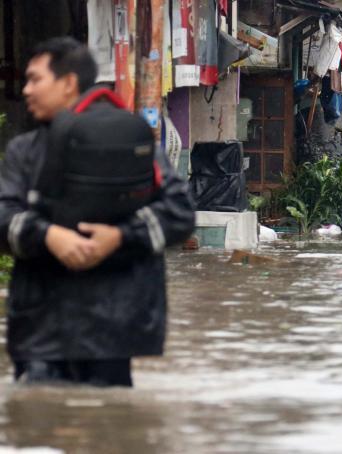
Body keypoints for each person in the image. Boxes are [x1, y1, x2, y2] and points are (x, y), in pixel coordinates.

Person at [0, 37, 195, 386]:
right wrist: (49, 236)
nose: (26, 90)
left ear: (68, 83)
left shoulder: (133, 145)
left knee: (106, 428)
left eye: (35, 79)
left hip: (111, 329)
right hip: (43, 327)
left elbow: (179, 213)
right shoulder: (25, 151)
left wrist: (119, 237)